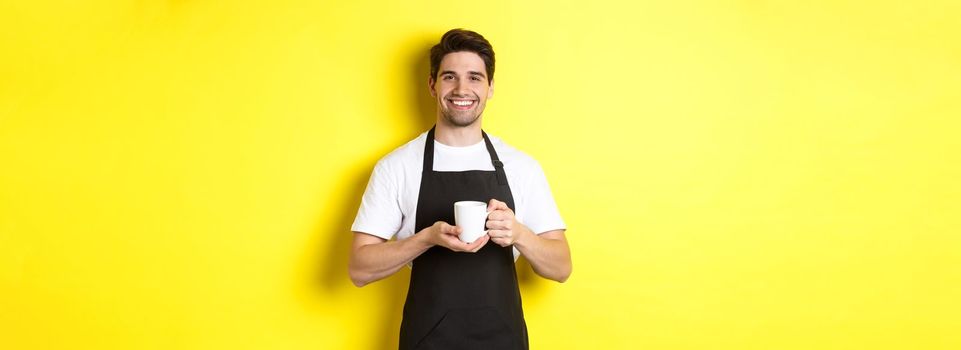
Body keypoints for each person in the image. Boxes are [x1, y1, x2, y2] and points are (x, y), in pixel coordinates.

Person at [348, 28, 572, 350]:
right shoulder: (396, 167)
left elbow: (562, 267)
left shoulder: (521, 167)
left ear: (491, 87)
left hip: (503, 341)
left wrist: (519, 234)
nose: (462, 89)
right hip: (427, 341)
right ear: (432, 84)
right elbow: (359, 269)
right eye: (449, 77)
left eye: (475, 78)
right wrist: (426, 238)